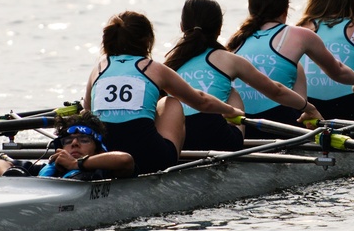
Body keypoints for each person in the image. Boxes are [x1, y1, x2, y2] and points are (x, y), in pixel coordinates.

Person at [83, 10, 244, 175]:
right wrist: (231, 110)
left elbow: (87, 114)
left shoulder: (98, 70)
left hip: (103, 157)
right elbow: (202, 101)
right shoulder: (154, 69)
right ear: (147, 41)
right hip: (149, 159)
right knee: (170, 102)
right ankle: (172, 172)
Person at [162, 0, 322, 151]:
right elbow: (276, 91)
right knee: (232, 92)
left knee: (167, 101)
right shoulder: (228, 60)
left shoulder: (169, 63)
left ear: (182, 27)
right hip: (218, 139)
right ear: (219, 29)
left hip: (181, 140)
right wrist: (309, 108)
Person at [225, 0, 354, 127]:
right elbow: (337, 70)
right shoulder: (300, 34)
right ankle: (306, 120)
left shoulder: (234, 42)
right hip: (281, 125)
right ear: (286, 10)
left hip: (242, 126)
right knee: (298, 68)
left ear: (250, 9)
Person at [0, 122, 115, 180]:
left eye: (84, 140)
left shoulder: (103, 171)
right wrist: (11, 176)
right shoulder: (49, 169)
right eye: (68, 141)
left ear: (98, 151)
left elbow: (124, 160)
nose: (74, 143)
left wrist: (75, 164)